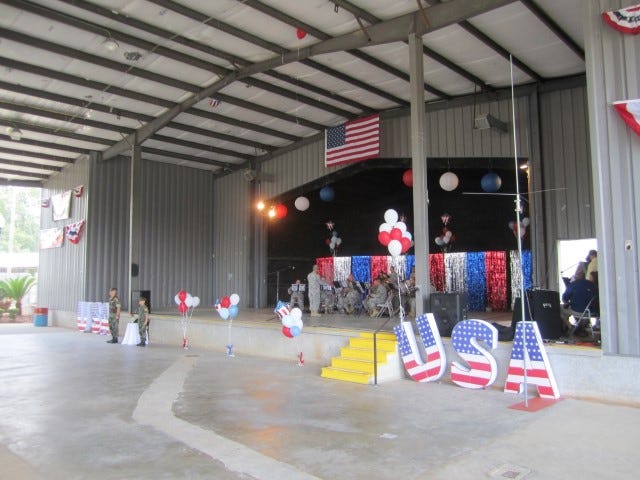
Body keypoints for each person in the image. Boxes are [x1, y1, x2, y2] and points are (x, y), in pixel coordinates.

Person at [561, 269, 598, 334]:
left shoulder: (573, 285)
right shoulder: (593, 285)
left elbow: (564, 298)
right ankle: (580, 328)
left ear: (575, 277)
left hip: (578, 311)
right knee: (579, 308)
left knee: (560, 309)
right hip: (593, 312)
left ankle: (570, 327)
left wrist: (566, 303)